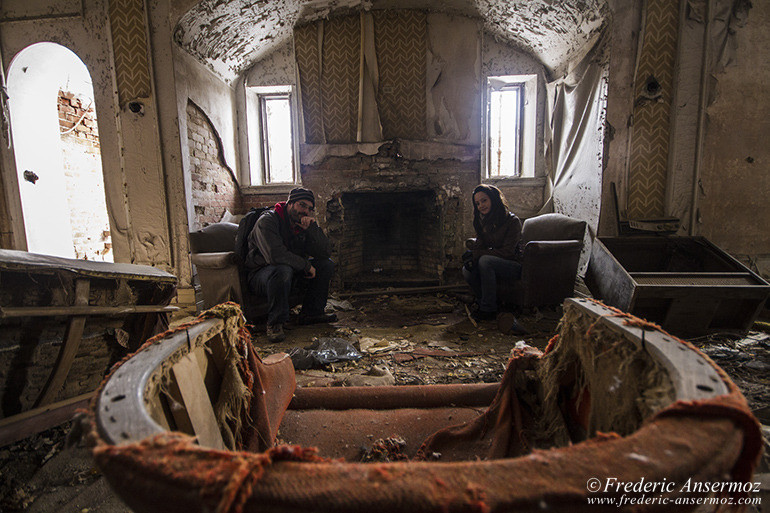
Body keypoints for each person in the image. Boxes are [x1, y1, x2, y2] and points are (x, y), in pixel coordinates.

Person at [246, 187, 336, 342]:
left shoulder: (301, 225)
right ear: (290, 203)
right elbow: (275, 255)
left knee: (326, 264)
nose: (305, 211)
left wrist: (312, 230)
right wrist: (306, 265)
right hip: (261, 275)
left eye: (309, 209)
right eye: (302, 205)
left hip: (290, 271)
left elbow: (325, 252)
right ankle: (275, 323)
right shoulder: (268, 220)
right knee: (282, 270)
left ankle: (312, 313)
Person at [462, 184, 523, 322]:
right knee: (467, 269)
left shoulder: (513, 221)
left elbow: (508, 252)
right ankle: (483, 301)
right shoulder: (484, 221)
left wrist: (480, 255)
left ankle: (488, 310)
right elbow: (479, 245)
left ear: (494, 199)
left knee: (485, 261)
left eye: (484, 200)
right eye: (477, 203)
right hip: (495, 261)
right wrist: (472, 255)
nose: (481, 206)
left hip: (514, 265)